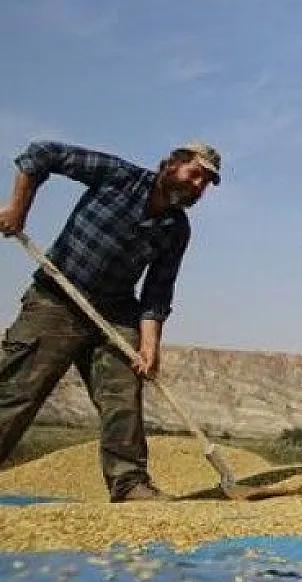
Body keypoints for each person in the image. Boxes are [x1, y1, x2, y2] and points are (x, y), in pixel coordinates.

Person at [0, 140, 221, 502]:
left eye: (206, 184)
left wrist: (149, 346)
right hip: (57, 299)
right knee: (16, 393)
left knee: (123, 397)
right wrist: (18, 210)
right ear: (171, 165)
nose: (198, 186)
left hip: (114, 314)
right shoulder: (119, 177)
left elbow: (157, 292)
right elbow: (41, 155)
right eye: (195, 174)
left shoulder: (176, 228)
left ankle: (129, 484)